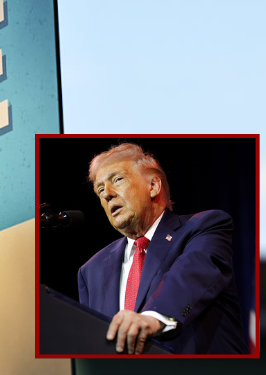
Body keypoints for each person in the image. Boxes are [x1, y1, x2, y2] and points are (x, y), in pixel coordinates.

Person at [77, 143, 248, 355]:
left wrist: (153, 318)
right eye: (100, 189)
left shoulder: (204, 227)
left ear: (153, 186)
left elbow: (189, 278)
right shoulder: (91, 270)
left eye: (117, 180)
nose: (107, 194)